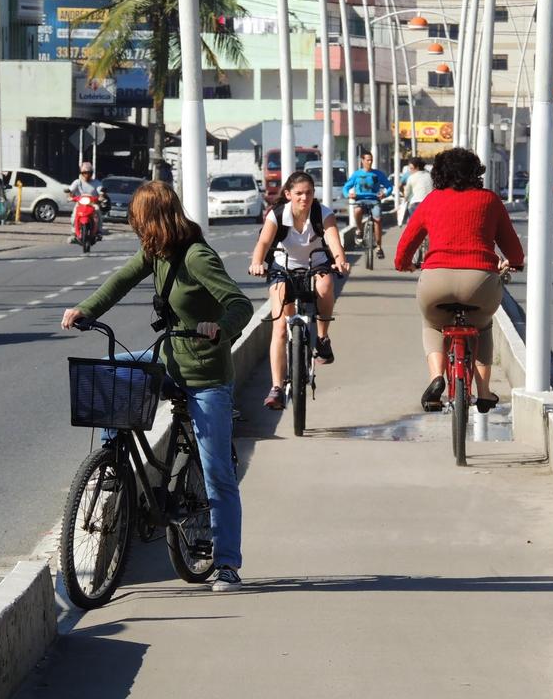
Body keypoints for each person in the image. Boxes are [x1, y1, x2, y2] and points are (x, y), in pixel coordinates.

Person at [60, 180, 253, 593]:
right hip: (168, 360)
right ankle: (112, 464)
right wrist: (85, 310)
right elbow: (120, 281)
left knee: (217, 471)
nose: (135, 227)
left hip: (206, 377)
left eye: (138, 220)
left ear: (155, 219)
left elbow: (240, 303)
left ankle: (227, 564)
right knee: (117, 370)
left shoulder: (197, 257)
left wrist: (219, 328)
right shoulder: (155, 252)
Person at [394, 147, 524, 413]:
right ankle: (485, 391)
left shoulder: (432, 201)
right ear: (476, 172)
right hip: (480, 282)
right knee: (483, 326)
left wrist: (404, 264)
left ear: (439, 174)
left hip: (436, 282)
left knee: (432, 324)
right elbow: (514, 251)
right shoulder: (490, 201)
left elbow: (405, 247)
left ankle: (436, 379)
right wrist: (515, 262)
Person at [248, 171, 349, 410]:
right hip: (283, 268)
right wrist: (256, 263)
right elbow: (263, 243)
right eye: (299, 194)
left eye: (309, 193)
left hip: (316, 264)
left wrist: (340, 259)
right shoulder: (277, 215)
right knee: (280, 327)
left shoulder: (322, 213)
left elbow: (333, 240)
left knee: (325, 285)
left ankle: (322, 338)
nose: (305, 198)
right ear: (288, 195)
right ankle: (276, 388)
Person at [343, 151, 393, 259]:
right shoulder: (357, 174)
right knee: (357, 210)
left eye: (371, 160)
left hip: (374, 200)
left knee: (378, 220)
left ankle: (379, 247)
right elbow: (346, 187)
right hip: (360, 199)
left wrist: (385, 194)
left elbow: (389, 186)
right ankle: (359, 230)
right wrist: (349, 194)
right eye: (367, 160)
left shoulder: (378, 174)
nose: (370, 162)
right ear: (362, 161)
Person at [69, 162, 105, 240]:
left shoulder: (96, 183)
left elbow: (101, 192)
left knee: (98, 210)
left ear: (92, 173)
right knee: (75, 213)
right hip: (80, 204)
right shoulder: (77, 182)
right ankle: (74, 231)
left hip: (92, 204)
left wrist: (101, 196)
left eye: (89, 173)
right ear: (81, 173)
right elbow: (70, 192)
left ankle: (99, 231)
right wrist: (70, 196)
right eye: (84, 173)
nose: (86, 175)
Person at [403, 157, 433, 221]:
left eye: (411, 168)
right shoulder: (430, 176)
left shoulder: (411, 177)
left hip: (416, 204)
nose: (410, 171)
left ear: (417, 167)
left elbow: (407, 194)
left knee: (415, 227)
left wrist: (405, 200)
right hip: (430, 204)